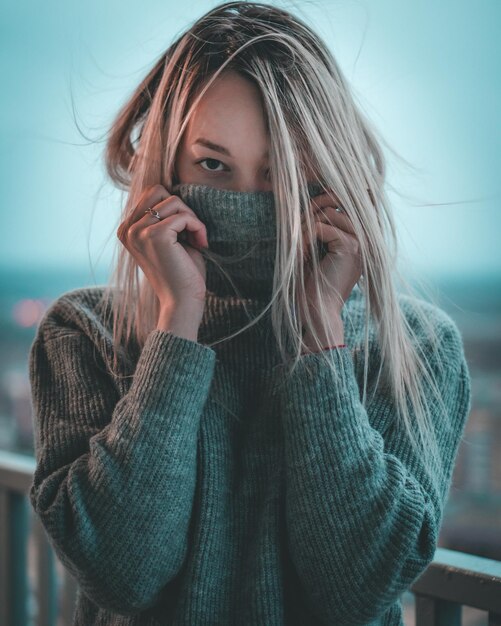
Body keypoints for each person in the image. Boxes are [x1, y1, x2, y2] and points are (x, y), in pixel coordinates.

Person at [28, 2, 472, 625]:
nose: (246, 203)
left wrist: (321, 333)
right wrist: (177, 325)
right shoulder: (84, 333)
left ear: (327, 171)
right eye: (213, 165)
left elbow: (360, 589)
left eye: (281, 172)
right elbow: (122, 574)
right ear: (166, 170)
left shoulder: (419, 347)